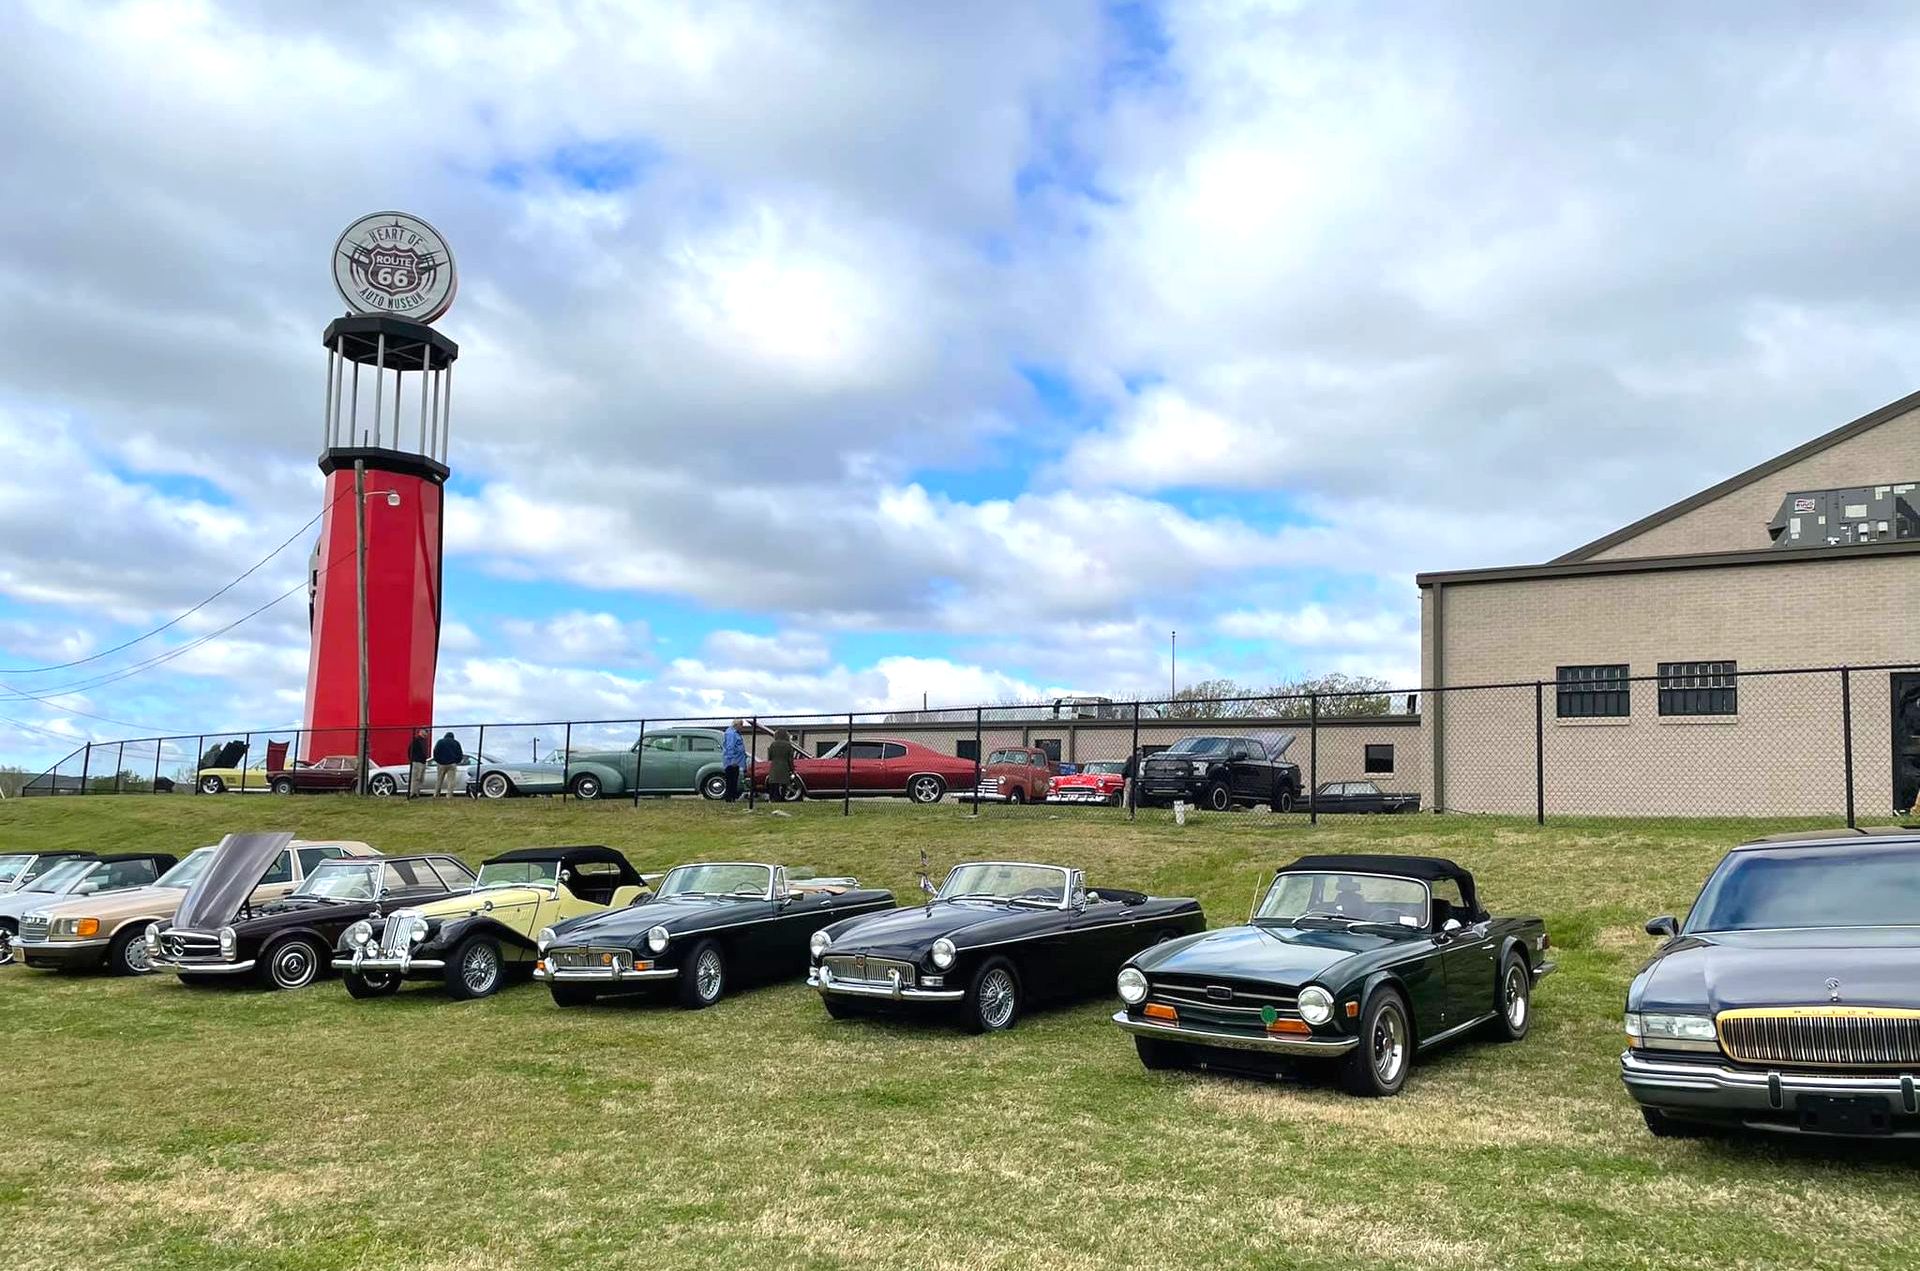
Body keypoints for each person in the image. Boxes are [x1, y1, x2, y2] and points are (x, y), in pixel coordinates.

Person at [432, 730, 465, 798]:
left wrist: (437, 760)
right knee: (451, 781)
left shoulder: (440, 742)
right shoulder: (456, 743)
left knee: (439, 780)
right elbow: (460, 754)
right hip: (452, 764)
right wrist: (456, 761)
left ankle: (436, 794)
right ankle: (449, 795)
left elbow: (435, 751)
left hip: (441, 764)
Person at [767, 728, 796, 802]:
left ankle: (773, 797)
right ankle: (782, 797)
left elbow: (770, 756)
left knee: (774, 783)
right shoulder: (788, 745)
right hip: (784, 766)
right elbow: (790, 758)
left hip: (774, 766)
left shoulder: (773, 744)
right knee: (784, 783)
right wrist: (792, 769)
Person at [722, 719, 746, 803]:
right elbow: (730, 747)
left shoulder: (734, 733)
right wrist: (733, 760)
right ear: (737, 725)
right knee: (731, 780)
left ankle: (732, 797)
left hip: (736, 761)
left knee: (734, 779)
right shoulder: (731, 734)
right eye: (741, 725)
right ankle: (729, 798)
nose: (742, 727)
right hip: (732, 762)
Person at [406, 728, 429, 800]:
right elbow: (410, 750)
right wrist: (412, 759)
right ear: (421, 732)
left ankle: (417, 793)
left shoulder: (424, 741)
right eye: (426, 732)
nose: (427, 734)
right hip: (416, 762)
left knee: (421, 779)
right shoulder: (416, 740)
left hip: (423, 762)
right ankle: (413, 793)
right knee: (415, 778)